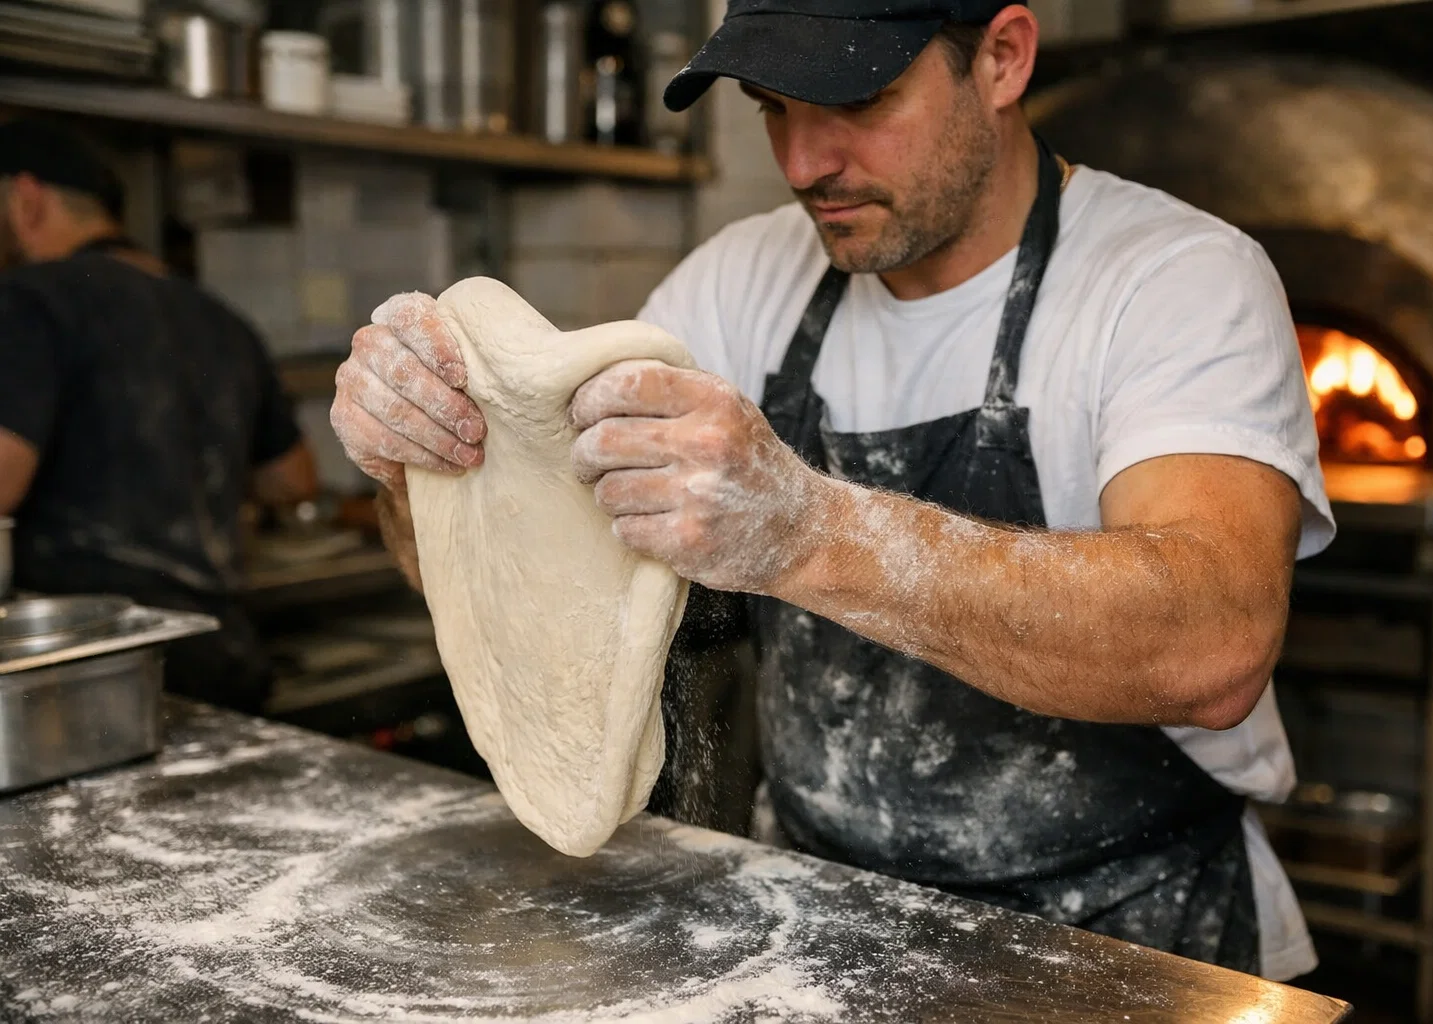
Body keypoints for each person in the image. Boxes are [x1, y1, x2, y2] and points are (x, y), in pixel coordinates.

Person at [330, 1, 1335, 981]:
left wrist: (806, 533)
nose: (806, 163)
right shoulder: (737, 282)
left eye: (858, 101)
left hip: (1133, 942)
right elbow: (550, 577)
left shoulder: (1174, 280)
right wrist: (427, 464)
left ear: (1002, 56)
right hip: (827, 919)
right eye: (774, 108)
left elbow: (1216, 645)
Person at [0, 118, 316, 714]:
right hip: (218, 648)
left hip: (93, 669)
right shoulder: (220, 318)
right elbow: (293, 479)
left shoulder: (30, 300)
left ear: (27, 199)